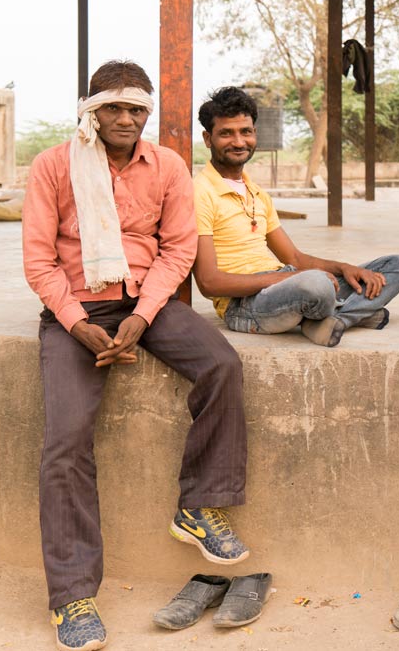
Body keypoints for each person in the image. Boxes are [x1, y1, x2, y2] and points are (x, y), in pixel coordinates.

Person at [23, 61, 250, 651]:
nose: (126, 120)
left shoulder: (167, 165)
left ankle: (198, 507)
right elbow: (39, 262)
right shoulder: (53, 165)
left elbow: (176, 251)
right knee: (65, 441)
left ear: (147, 113)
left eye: (137, 110)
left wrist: (143, 316)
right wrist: (76, 323)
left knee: (222, 365)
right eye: (113, 109)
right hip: (75, 310)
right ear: (90, 111)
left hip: (146, 304)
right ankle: (72, 594)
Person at [192, 86, 399, 347]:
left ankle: (331, 319)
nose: (239, 142)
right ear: (208, 138)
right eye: (226, 133)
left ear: (254, 134)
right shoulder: (199, 192)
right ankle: (349, 312)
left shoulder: (257, 193)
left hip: (287, 285)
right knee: (316, 285)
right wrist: (290, 278)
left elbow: (295, 259)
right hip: (244, 306)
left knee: (396, 266)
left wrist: (345, 268)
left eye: (245, 132)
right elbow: (208, 282)